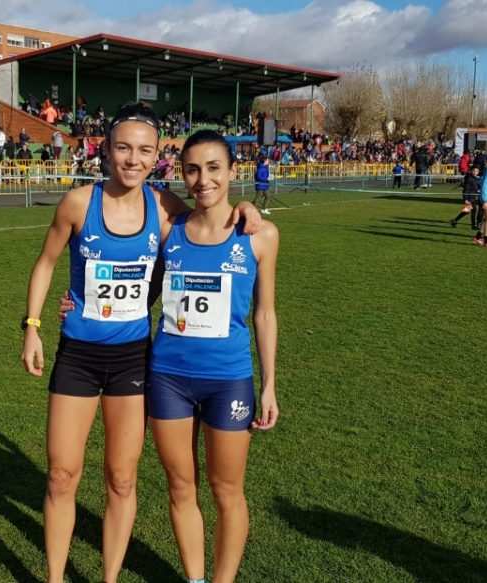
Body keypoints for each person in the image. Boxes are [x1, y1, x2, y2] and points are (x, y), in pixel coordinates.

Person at [21, 104, 260, 583]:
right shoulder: (77, 204)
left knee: (122, 478)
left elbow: (209, 216)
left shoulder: (164, 208)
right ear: (106, 150)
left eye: (145, 150)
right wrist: (32, 325)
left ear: (156, 157)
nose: (133, 159)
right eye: (124, 148)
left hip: (132, 358)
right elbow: (46, 262)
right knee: (62, 475)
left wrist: (245, 208)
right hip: (78, 356)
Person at [148, 130, 279, 583]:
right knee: (181, 486)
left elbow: (265, 313)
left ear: (233, 171)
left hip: (229, 380)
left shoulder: (260, 236)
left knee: (227, 490)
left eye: (213, 168)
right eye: (192, 169)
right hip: (168, 378)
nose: (203, 179)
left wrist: (269, 385)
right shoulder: (170, 229)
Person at [451, 164, 481, 229]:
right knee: (472, 210)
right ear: (471, 171)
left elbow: (477, 187)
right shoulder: (469, 179)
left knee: (468, 210)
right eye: (474, 171)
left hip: (473, 197)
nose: (475, 172)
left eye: (477, 171)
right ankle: (473, 225)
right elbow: (466, 189)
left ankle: (455, 220)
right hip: (469, 198)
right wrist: (465, 199)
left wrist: (479, 190)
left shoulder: (476, 178)